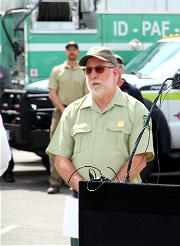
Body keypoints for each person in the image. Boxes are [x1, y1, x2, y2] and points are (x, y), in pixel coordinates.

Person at [46, 46, 154, 245]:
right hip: (81, 201)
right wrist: (84, 190)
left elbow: (139, 159)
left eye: (99, 69)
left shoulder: (136, 109)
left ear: (115, 72)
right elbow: (60, 158)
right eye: (88, 70)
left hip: (123, 199)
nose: (93, 75)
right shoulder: (73, 111)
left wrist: (110, 190)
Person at [46, 41, 88, 194]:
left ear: (78, 52)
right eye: (69, 49)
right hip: (60, 110)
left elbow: (86, 94)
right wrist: (64, 110)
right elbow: (52, 93)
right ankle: (55, 182)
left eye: (74, 49)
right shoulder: (57, 70)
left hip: (79, 111)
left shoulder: (83, 71)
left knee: (80, 146)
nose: (71, 52)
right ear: (66, 52)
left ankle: (77, 183)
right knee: (55, 146)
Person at [0, 65, 14, 183]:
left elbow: (7, 87)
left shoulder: (3, 70)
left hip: (2, 109)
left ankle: (8, 172)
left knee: (5, 141)